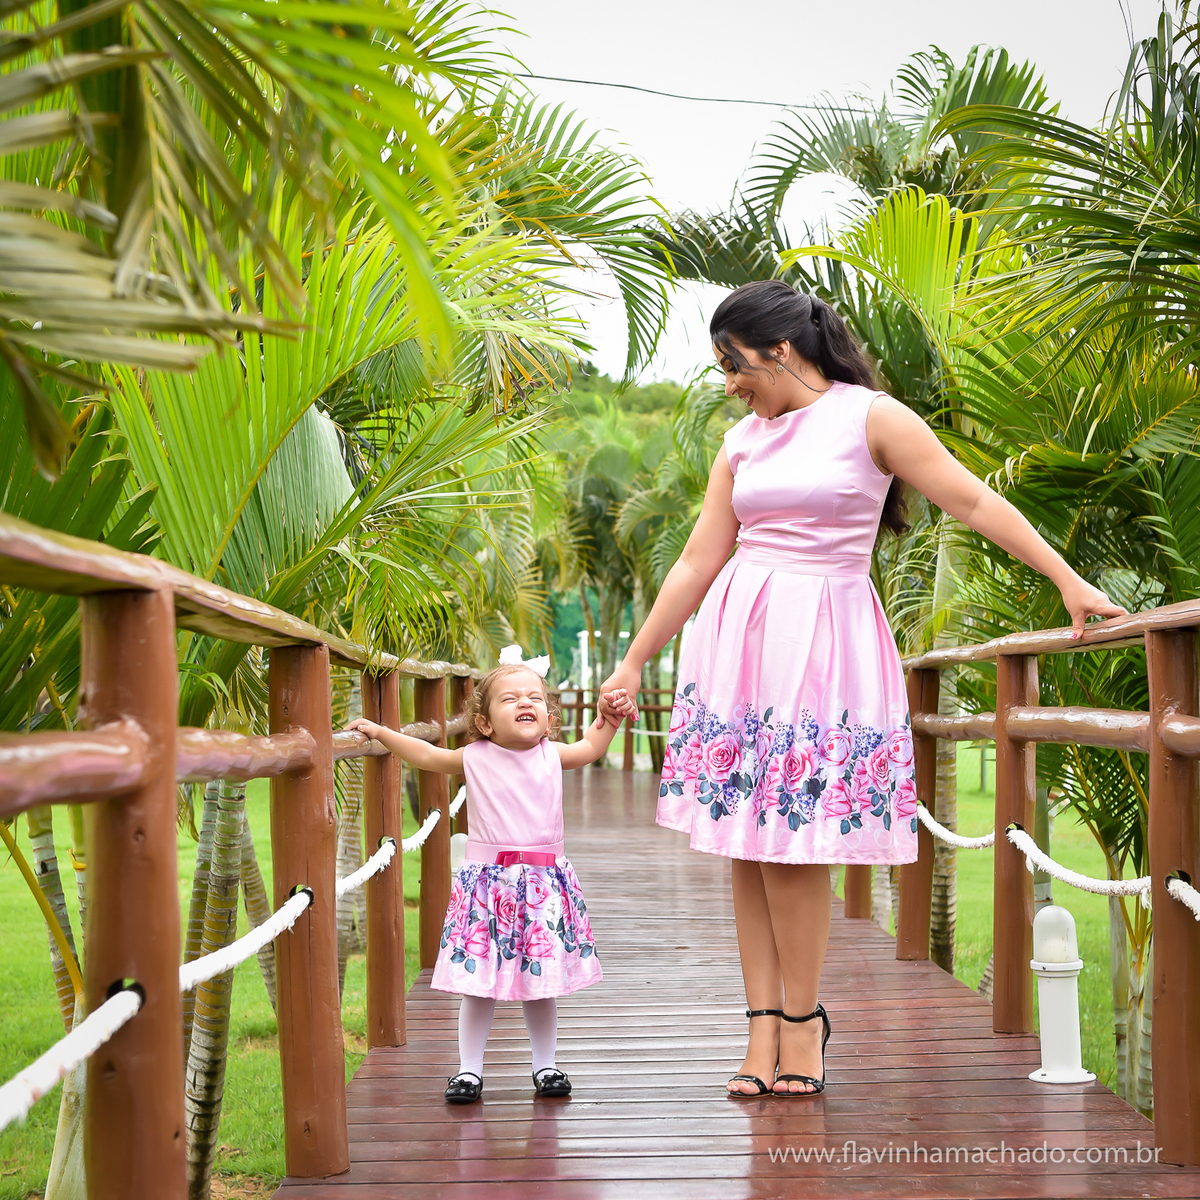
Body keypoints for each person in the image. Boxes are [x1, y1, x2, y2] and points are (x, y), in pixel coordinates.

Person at [599, 280, 1127, 1098]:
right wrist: (634, 661)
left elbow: (971, 498)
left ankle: (802, 1024)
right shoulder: (740, 442)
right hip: (740, 644)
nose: (729, 384)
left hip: (824, 642)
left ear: (780, 348)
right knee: (747, 842)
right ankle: (761, 1028)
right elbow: (699, 559)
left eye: (734, 364)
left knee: (795, 841)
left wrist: (1067, 580)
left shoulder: (871, 418)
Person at [346, 646, 635, 1104]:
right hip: (488, 889)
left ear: (548, 718)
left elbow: (592, 746)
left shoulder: (552, 755)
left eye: (534, 698)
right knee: (478, 985)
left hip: (541, 887)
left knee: (540, 985)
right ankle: (469, 1070)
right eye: (510, 698)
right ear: (484, 722)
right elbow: (426, 754)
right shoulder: (475, 757)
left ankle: (545, 1065)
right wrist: (382, 732)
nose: (525, 703)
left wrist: (610, 718)